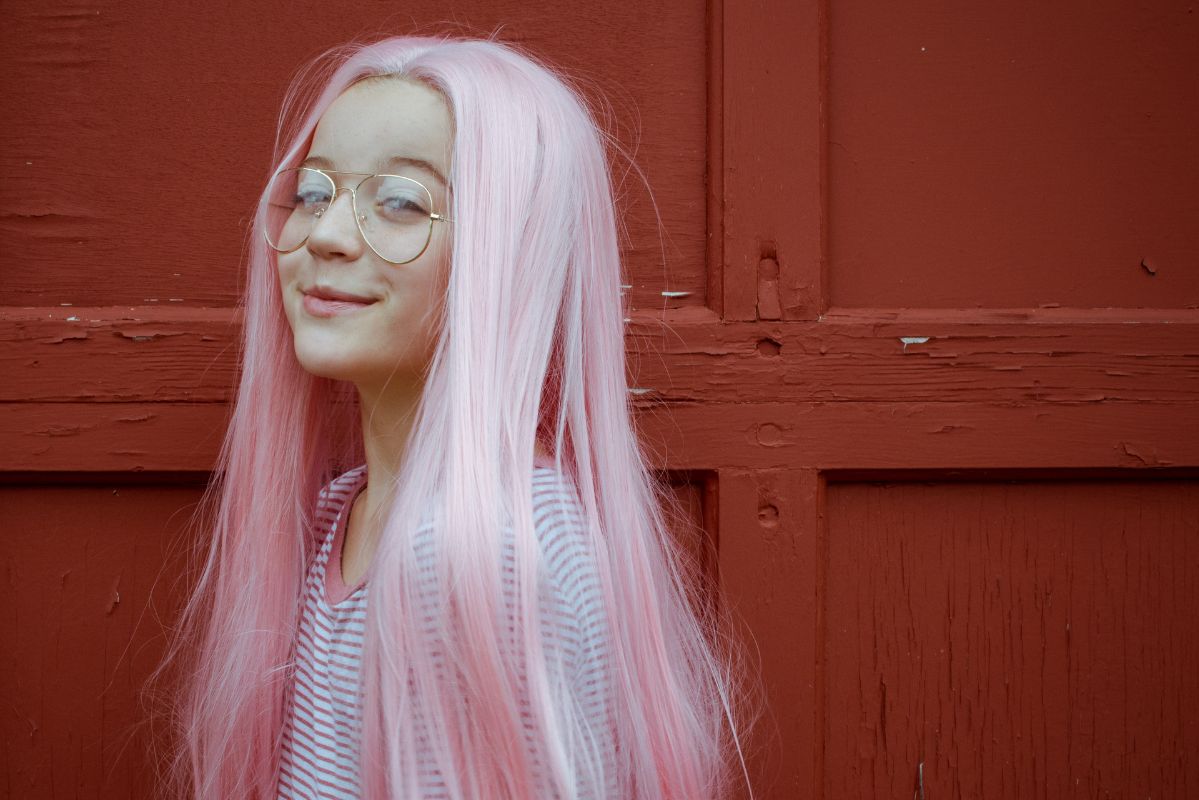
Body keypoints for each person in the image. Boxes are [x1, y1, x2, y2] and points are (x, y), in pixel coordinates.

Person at [157, 34, 757, 799]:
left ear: (507, 251)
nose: (328, 236)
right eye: (313, 191)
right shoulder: (349, 513)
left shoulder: (474, 553)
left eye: (400, 202)